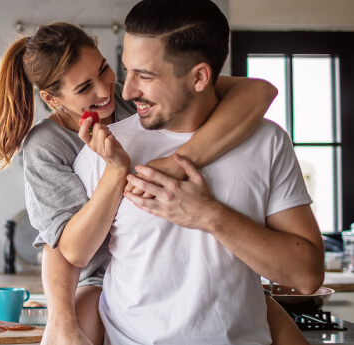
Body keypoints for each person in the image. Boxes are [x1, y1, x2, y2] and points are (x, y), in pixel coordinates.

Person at [0, 23, 297, 345]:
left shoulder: (131, 98)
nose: (105, 92)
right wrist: (61, 321)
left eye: (104, 69)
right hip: (98, 273)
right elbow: (65, 247)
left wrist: (171, 165)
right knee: (70, 329)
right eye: (84, 88)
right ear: (51, 98)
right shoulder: (46, 145)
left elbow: (260, 91)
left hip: (176, 256)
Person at [72, 0, 324, 343]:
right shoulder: (105, 149)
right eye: (127, 70)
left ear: (200, 77)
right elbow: (69, 254)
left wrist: (209, 215)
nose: (127, 91)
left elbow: (307, 274)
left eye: (144, 76)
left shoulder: (267, 143)